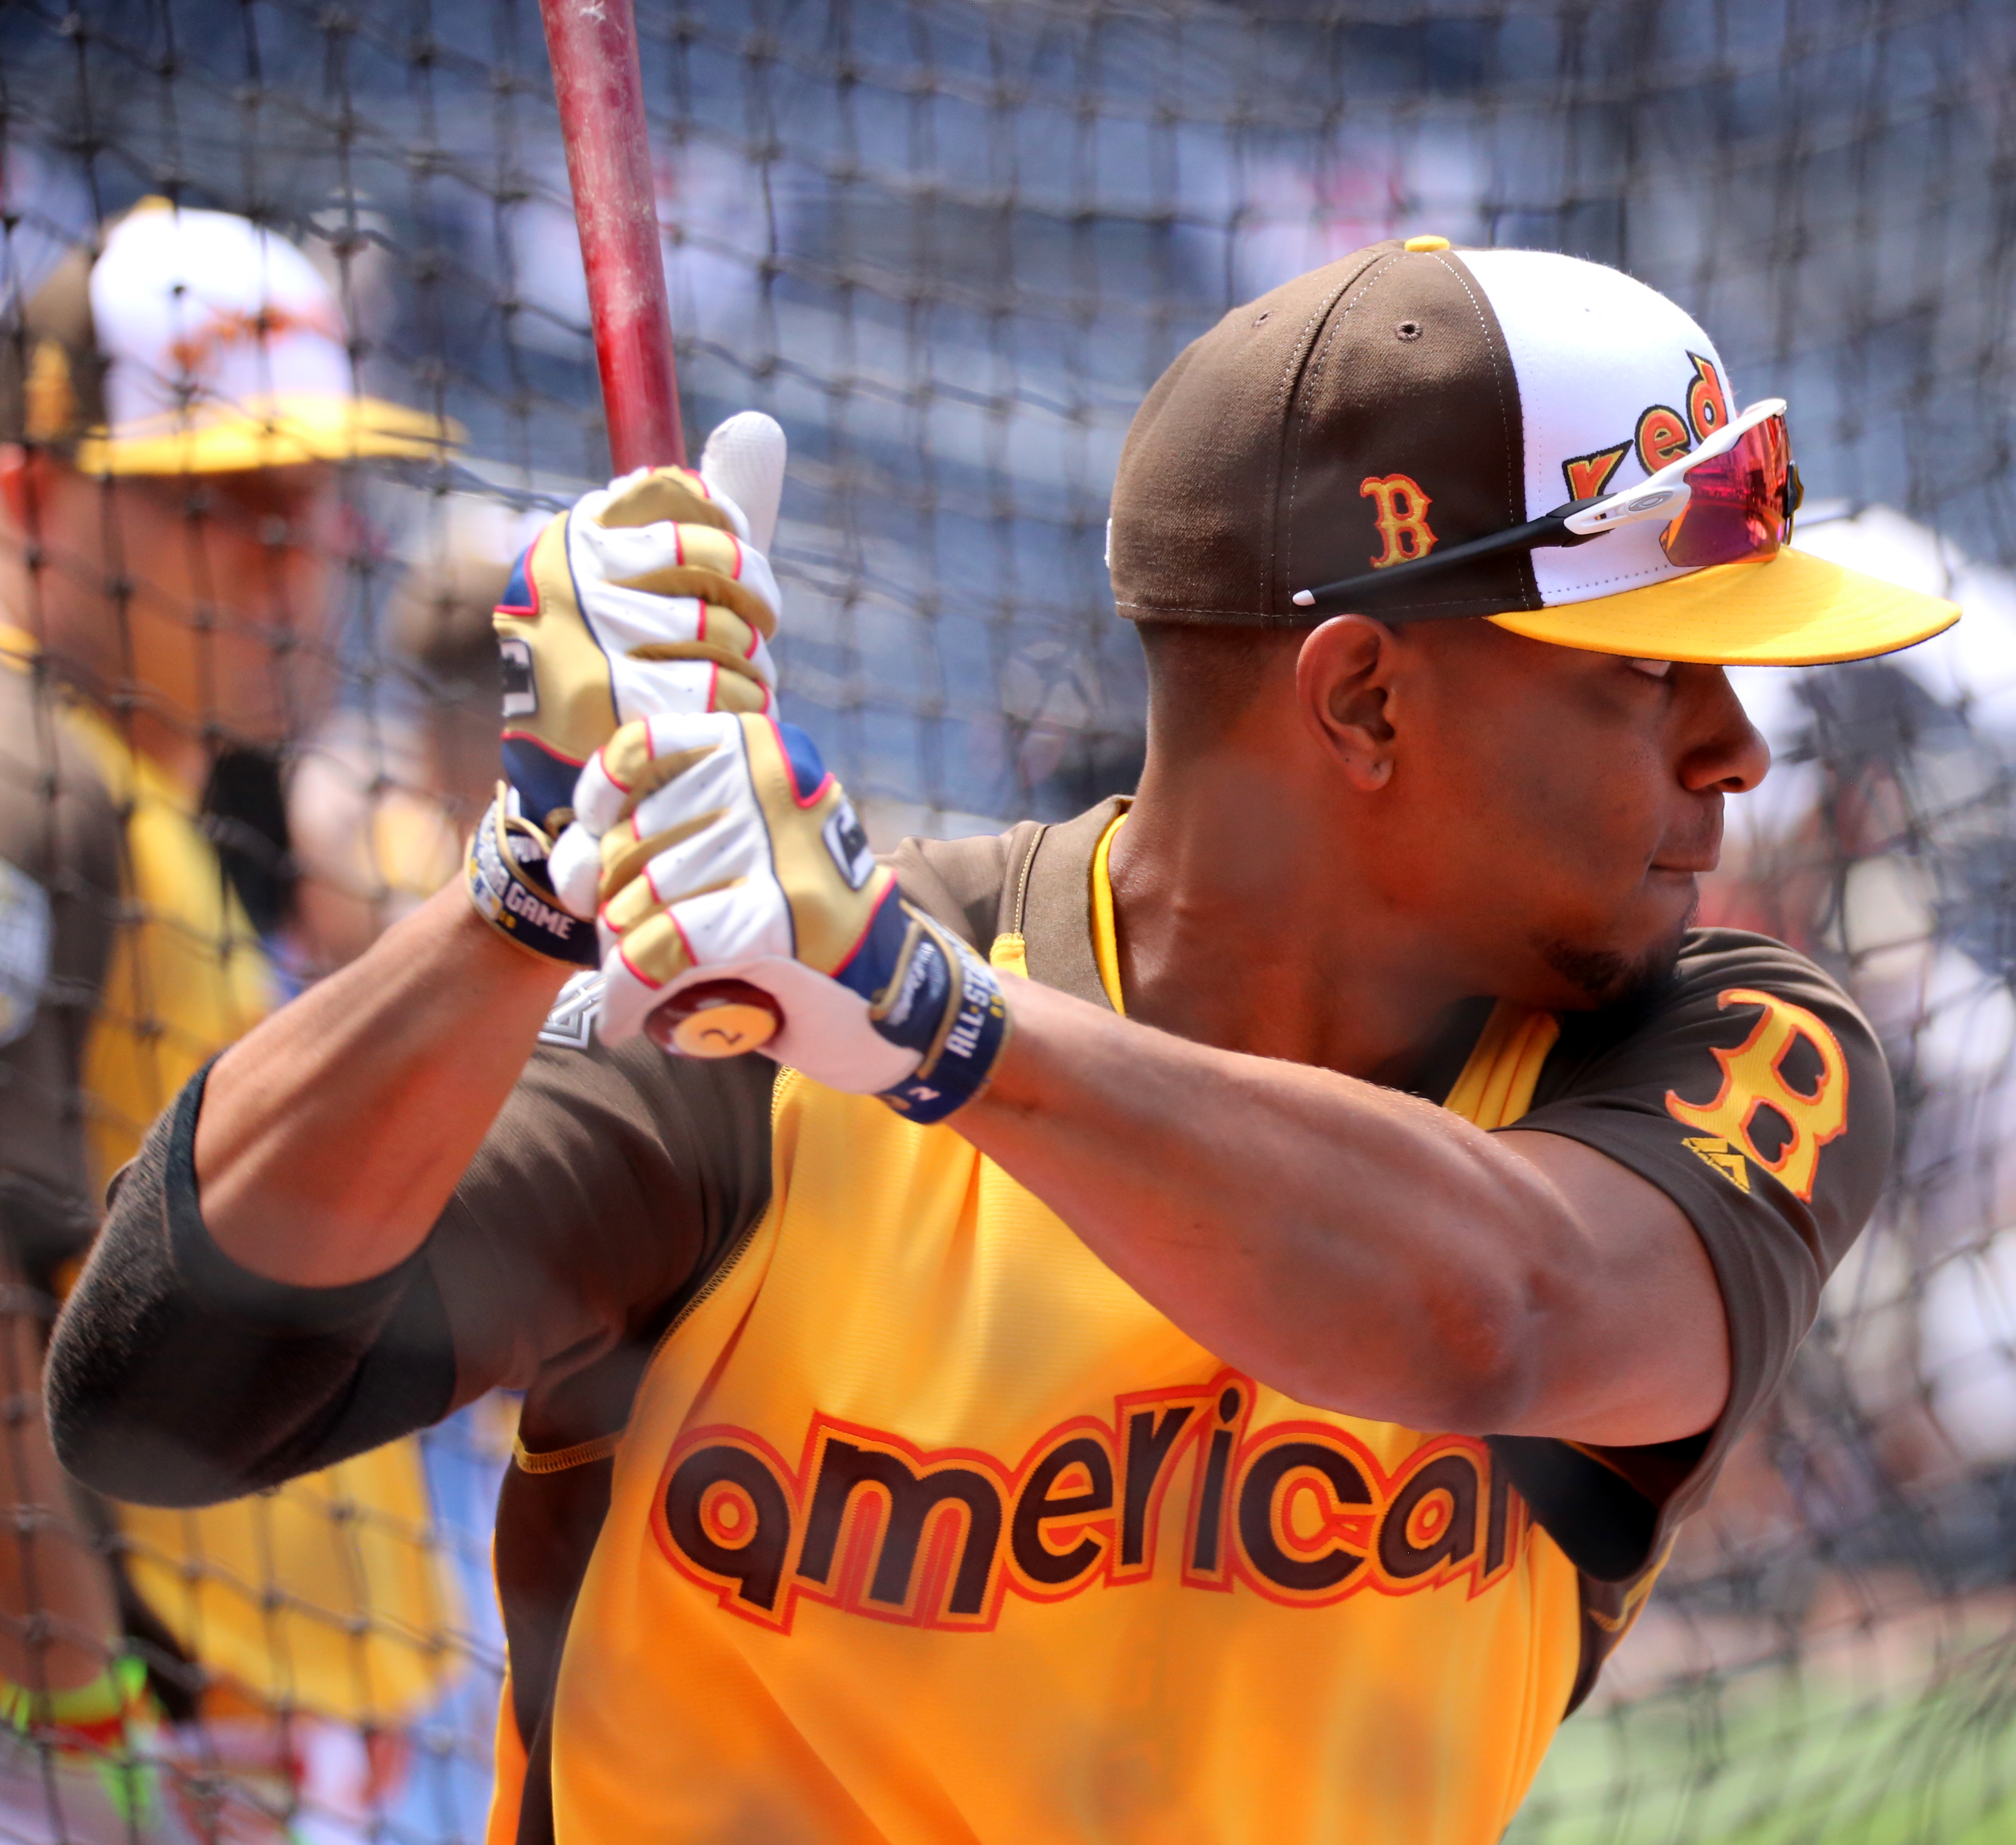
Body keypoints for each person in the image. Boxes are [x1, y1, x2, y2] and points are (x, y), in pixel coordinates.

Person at [47, 240, 1961, 1843]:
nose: (1736, 749)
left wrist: (921, 1019)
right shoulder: (770, 1030)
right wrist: (522, 898)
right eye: (1650, 675)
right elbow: (173, 1391)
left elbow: (1498, 1313)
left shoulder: (1726, 1050)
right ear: (1362, 696)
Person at [0, 198, 463, 1836]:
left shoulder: (155, 793)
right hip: (149, 1733)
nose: (298, 557)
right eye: (226, 506)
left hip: (245, 1731)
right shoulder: (26, 775)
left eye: (314, 497)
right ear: (30, 497)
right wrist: (79, 1731)